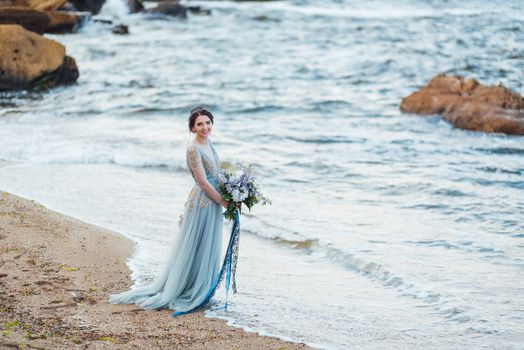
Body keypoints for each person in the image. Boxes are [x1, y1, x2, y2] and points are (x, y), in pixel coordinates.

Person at [108, 106, 229, 314]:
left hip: (214, 201)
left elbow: (216, 174)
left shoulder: (209, 143)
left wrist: (232, 190)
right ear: (192, 127)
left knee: (207, 245)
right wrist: (225, 202)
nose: (205, 127)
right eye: (200, 124)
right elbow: (203, 183)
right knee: (197, 245)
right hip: (204, 202)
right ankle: (190, 290)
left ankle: (202, 288)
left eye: (207, 122)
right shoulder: (193, 149)